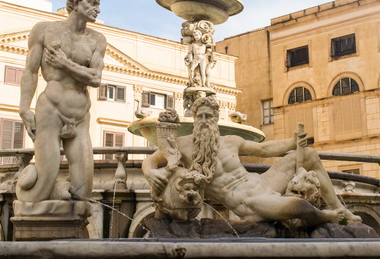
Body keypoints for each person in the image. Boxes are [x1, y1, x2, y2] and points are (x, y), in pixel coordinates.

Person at [143, 96, 360, 226]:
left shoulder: (230, 141)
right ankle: (329, 217)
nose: (203, 121)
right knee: (300, 207)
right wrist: (150, 173)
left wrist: (291, 142)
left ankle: (341, 210)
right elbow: (151, 160)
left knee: (310, 155)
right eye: (199, 116)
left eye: (208, 116)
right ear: (194, 118)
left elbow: (264, 149)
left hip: (263, 182)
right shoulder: (183, 145)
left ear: (216, 119)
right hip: (248, 202)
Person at [16, 0, 106, 203]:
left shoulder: (97, 40)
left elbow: (95, 79)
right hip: (51, 110)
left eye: (98, 5)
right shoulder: (44, 30)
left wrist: (65, 63)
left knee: (84, 188)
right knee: (40, 187)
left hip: (80, 116)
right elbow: (30, 71)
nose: (98, 10)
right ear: (75, 4)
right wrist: (24, 108)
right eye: (92, 4)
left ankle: (73, 224)